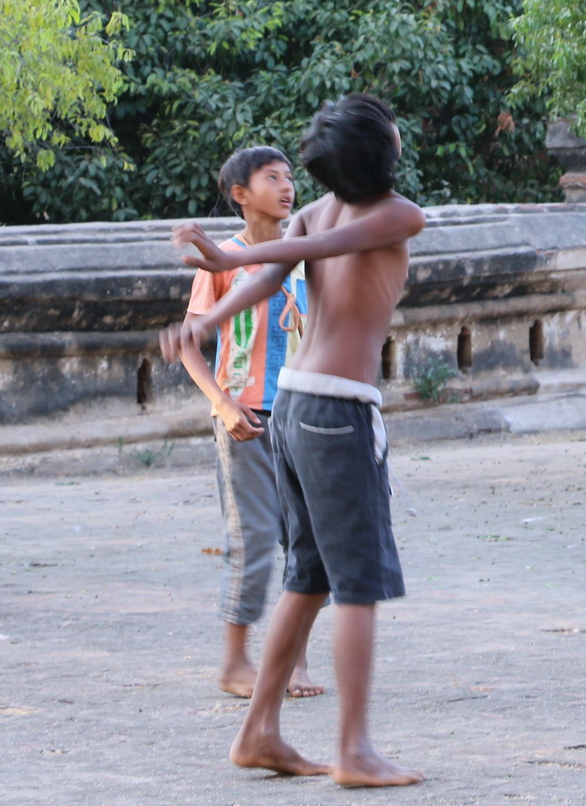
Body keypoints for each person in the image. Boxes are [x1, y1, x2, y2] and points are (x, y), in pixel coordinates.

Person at [163, 94, 427, 788]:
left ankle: (259, 730)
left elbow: (295, 256)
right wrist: (211, 304)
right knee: (356, 585)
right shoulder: (398, 213)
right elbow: (281, 267)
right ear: (384, 149)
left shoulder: (320, 215)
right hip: (337, 411)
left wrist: (224, 270)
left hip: (295, 410)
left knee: (307, 577)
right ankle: (355, 749)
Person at [167, 145, 321, 702]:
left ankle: (296, 665)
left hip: (304, 415)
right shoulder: (223, 259)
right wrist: (223, 404)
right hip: (245, 418)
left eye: (289, 177)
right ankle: (235, 662)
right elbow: (189, 344)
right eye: (271, 178)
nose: (287, 187)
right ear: (240, 194)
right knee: (253, 541)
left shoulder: (306, 254)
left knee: (307, 543)